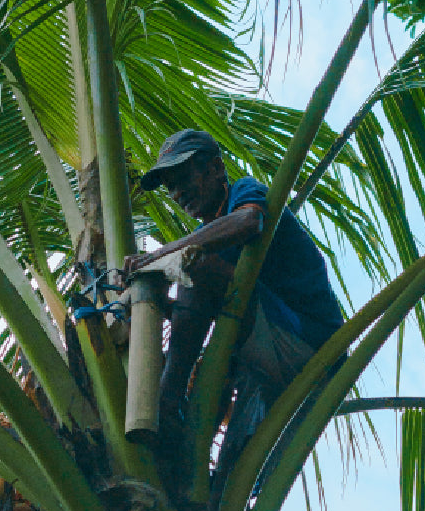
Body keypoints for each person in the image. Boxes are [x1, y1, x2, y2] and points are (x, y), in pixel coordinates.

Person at [130, 129, 345, 487]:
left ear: (215, 168)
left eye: (183, 179)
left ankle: (167, 403)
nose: (178, 194)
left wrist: (159, 257)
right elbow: (198, 313)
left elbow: (249, 222)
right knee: (223, 487)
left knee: (192, 265)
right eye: (171, 187)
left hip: (308, 343)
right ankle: (197, 476)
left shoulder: (243, 196)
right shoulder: (213, 234)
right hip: (269, 350)